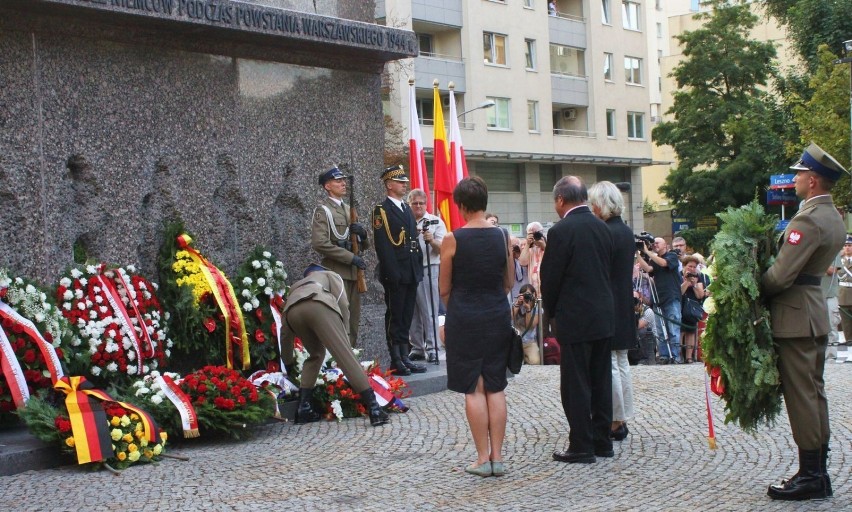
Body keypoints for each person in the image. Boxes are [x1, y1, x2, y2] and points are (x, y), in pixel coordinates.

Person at [761, 143, 847, 500]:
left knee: (802, 398)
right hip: (812, 313)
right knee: (814, 393)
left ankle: (811, 475)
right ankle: (818, 471)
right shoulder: (834, 217)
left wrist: (752, 288)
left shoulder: (808, 219)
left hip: (795, 317)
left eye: (799, 174)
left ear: (812, 181)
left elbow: (780, 277)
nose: (794, 179)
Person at [440, 176, 513, 477]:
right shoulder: (503, 236)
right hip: (497, 314)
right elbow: (509, 282)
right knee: (495, 385)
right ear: (485, 203)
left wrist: (457, 310)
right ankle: (498, 456)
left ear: (460, 205)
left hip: (465, 317)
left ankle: (482, 458)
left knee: (474, 387)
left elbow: (444, 288)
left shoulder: (452, 238)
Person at [541, 176, 614, 464]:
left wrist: (552, 314)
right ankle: (602, 441)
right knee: (601, 380)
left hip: (575, 316)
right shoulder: (602, 227)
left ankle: (581, 444)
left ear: (561, 200)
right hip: (603, 314)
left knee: (576, 384)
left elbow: (550, 279)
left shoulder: (561, 231)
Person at [281, 264, 389, 427]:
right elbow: (342, 302)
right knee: (345, 356)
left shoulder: (296, 286)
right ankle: (374, 408)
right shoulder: (331, 274)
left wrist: (288, 363)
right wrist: (345, 337)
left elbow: (285, 333)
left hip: (293, 313)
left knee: (316, 354)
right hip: (319, 304)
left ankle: (303, 409)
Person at [588, 180, 635, 442]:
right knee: (621, 362)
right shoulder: (625, 231)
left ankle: (615, 420)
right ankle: (622, 416)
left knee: (612, 365)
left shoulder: (606, 232)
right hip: (623, 301)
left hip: (609, 304)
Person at [372, 165, 427, 376]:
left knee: (406, 315)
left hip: (411, 269)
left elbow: (414, 240)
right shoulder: (382, 210)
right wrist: (391, 272)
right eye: (400, 181)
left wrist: (418, 267)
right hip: (396, 271)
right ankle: (395, 358)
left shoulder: (405, 208)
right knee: (395, 315)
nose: (404, 184)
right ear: (389, 185)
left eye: (405, 181)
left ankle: (405, 355)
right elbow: (384, 245)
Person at [310, 167, 369, 347]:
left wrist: (364, 235)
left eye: (344, 180)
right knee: (339, 317)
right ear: (327, 186)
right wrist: (350, 258)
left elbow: (363, 246)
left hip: (354, 273)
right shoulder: (323, 211)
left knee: (353, 320)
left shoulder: (350, 209)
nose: (343, 184)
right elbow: (320, 243)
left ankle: (351, 355)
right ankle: (337, 360)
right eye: (338, 181)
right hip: (336, 273)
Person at [408, 188, 446, 363]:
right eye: (414, 203)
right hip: (407, 269)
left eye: (421, 203)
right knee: (412, 312)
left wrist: (431, 240)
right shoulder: (405, 220)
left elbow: (443, 249)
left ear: (426, 204)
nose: (418, 206)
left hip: (427, 267)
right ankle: (417, 347)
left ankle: (433, 348)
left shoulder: (435, 221)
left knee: (429, 309)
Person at [637, 237, 682, 364]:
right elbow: (648, 269)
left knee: (673, 328)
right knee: (660, 330)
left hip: (671, 297)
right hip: (658, 298)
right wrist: (638, 253)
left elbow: (664, 263)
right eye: (654, 243)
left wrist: (648, 251)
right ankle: (664, 355)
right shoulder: (654, 259)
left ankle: (675, 356)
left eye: (657, 243)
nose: (655, 244)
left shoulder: (672, 256)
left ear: (665, 245)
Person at [679, 255, 706, 363]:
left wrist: (694, 284)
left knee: (690, 331)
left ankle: (689, 357)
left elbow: (700, 295)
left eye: (694, 267)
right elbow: (679, 292)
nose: (692, 269)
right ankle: (679, 354)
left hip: (691, 307)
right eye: (690, 266)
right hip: (681, 305)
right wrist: (686, 281)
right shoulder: (678, 275)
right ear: (684, 266)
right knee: (680, 331)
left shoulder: (698, 277)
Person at [512, 284, 540, 365]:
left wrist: (528, 309)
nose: (526, 297)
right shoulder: (517, 304)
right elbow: (508, 318)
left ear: (534, 295)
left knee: (535, 362)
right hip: (516, 342)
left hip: (530, 342)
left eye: (528, 295)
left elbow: (530, 326)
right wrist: (517, 305)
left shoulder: (537, 308)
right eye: (524, 295)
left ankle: (524, 359)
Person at [835, 236, 852, 345]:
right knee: (845, 321)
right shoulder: (839, 261)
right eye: (845, 246)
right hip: (843, 294)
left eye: (849, 245)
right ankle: (849, 339)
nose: (847, 248)